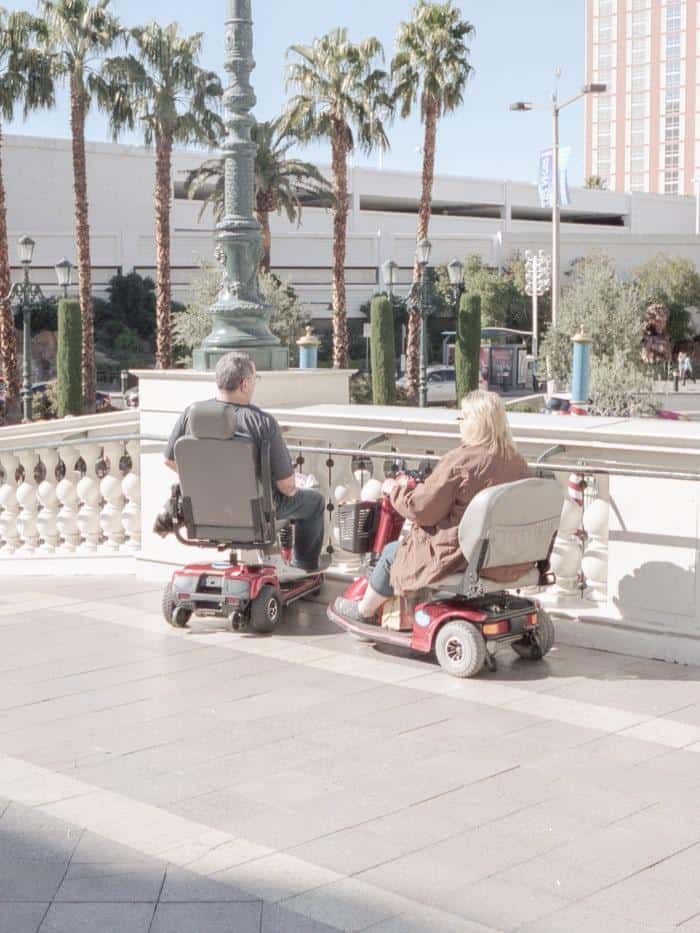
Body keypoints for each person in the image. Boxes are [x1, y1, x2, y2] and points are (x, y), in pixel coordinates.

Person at [334, 390, 530, 623]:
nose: (460, 422)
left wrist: (393, 490)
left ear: (478, 423)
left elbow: (422, 510)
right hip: (506, 554)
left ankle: (363, 611)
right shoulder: (517, 462)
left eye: (464, 417)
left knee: (391, 554)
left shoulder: (463, 461)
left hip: (461, 554)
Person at [163, 351, 325, 573]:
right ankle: (305, 567)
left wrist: (207, 483)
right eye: (255, 379)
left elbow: (169, 460)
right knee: (314, 500)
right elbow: (287, 487)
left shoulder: (191, 415)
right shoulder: (262, 423)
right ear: (245, 384)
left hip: (205, 510)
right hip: (255, 512)